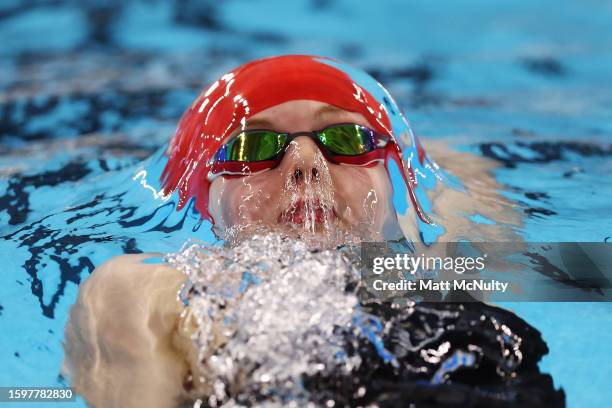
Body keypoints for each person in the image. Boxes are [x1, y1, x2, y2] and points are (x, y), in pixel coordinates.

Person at [63, 55, 520, 407]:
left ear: (394, 180)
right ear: (206, 197)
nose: (306, 164)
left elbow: (460, 183)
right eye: (253, 145)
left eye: (346, 140)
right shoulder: (153, 293)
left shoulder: (442, 269)